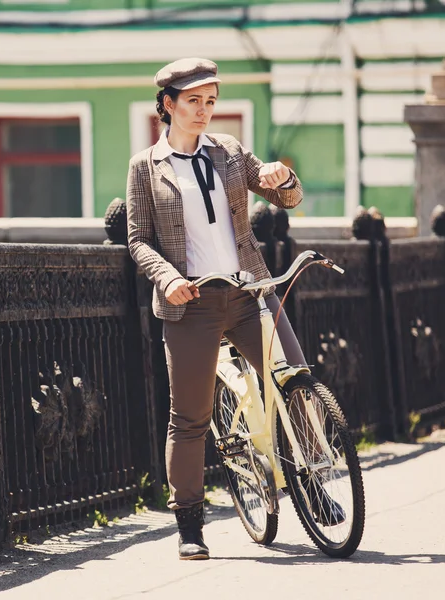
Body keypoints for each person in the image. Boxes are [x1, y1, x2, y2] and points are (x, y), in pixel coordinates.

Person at [126, 57, 306, 560]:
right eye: (193, 101)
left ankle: (316, 486)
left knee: (295, 377)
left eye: (210, 101)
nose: (204, 111)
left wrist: (282, 176)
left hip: (250, 292)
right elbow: (138, 239)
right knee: (189, 418)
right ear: (168, 104)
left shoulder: (227, 151)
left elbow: (286, 198)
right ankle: (189, 526)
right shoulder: (146, 166)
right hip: (192, 304)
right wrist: (169, 278)